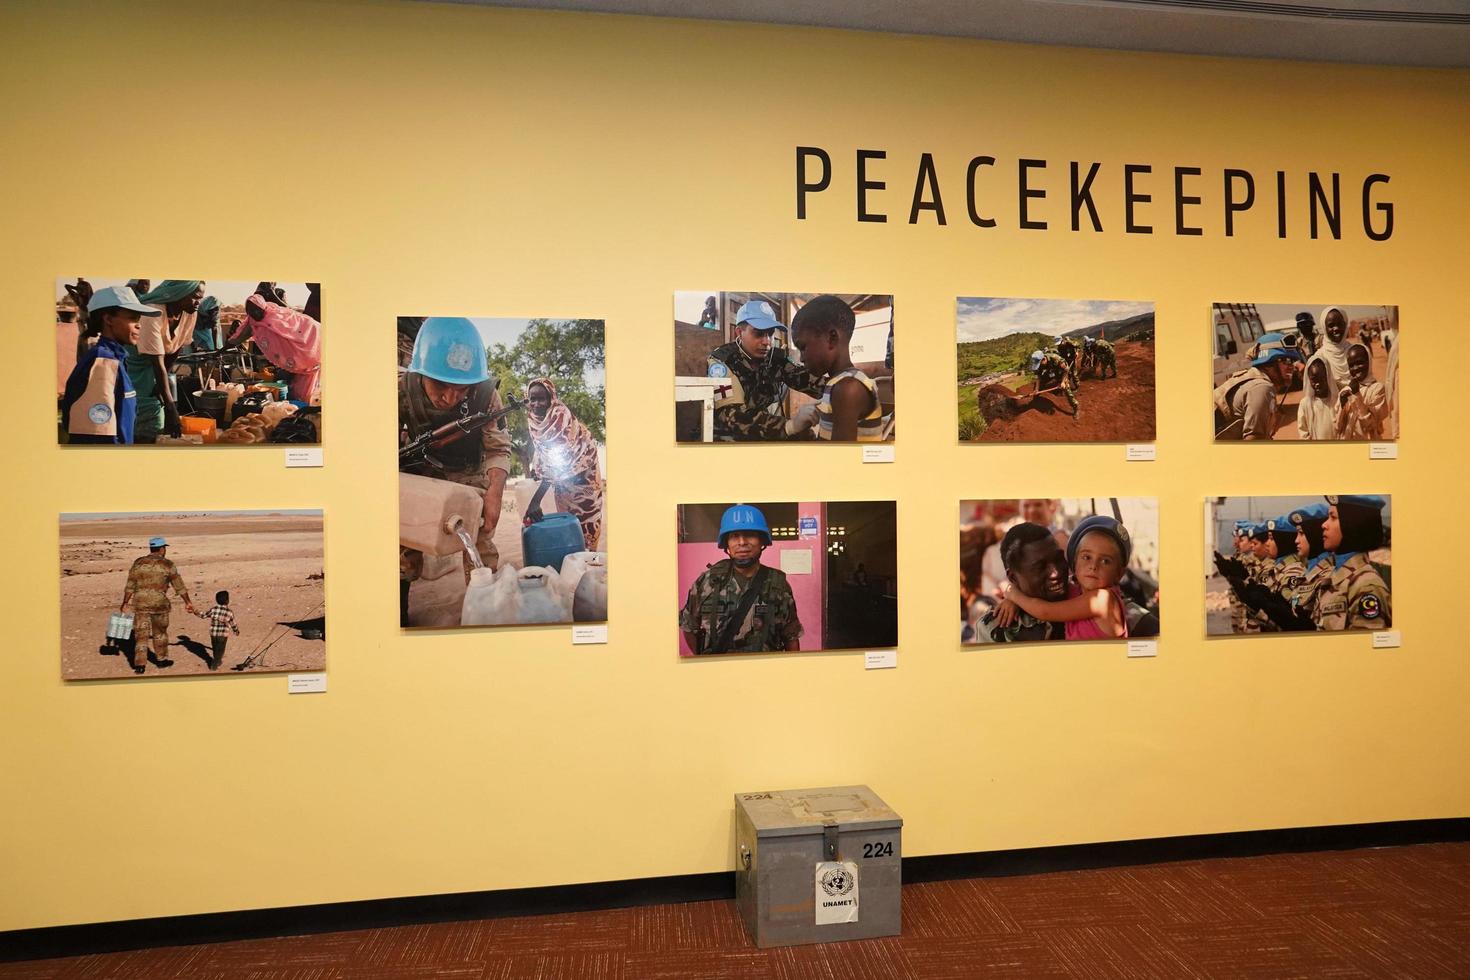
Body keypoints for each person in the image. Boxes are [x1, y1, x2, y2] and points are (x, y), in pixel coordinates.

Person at [398, 317, 514, 626]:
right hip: (418, 471)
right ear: (421, 371)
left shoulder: (487, 394)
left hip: (468, 473)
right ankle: (397, 613)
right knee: (400, 544)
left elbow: (498, 449)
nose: (450, 398)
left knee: (481, 541)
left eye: (462, 390)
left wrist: (494, 495)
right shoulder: (400, 389)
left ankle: (484, 610)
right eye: (441, 386)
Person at [680, 505, 802, 653]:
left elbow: (791, 636)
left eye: (750, 534)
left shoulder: (778, 584)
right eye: (734, 536)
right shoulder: (707, 582)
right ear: (727, 544)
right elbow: (688, 626)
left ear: (762, 541)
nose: (742, 542)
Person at [996, 515, 1130, 640]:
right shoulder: (1076, 592)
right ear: (1074, 562)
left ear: (1120, 573)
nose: (1093, 566)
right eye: (1086, 557)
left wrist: (1013, 594)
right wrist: (1011, 599)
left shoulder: (1102, 600)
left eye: (1105, 561)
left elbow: (1044, 611)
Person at [707, 300, 823, 440]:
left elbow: (807, 380)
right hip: (727, 433)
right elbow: (732, 416)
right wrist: (790, 426)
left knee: (807, 436)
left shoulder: (775, 358)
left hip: (761, 427)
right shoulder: (722, 362)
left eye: (770, 333)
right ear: (739, 332)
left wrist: (841, 385)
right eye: (759, 334)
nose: (767, 341)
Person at [60, 285, 159, 445]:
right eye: (132, 318)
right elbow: (100, 434)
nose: (139, 325)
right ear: (108, 319)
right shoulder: (104, 363)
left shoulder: (115, 358)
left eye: (139, 319)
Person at [789, 294, 890, 442]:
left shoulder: (848, 388)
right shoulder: (838, 383)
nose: (801, 357)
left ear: (832, 338)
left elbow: (840, 459)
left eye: (803, 347)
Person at [525, 377, 603, 551]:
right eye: (532, 399)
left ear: (551, 398)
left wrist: (535, 501)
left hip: (584, 481)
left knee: (585, 527)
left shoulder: (560, 418)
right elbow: (542, 448)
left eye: (541, 398)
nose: (536, 404)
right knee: (568, 525)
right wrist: (536, 465)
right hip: (563, 483)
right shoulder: (534, 419)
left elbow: (557, 460)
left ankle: (587, 567)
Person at [128, 280, 205, 442]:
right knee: (137, 413)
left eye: (201, 298)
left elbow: (176, 348)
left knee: (159, 406)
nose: (199, 302)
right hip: (136, 367)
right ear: (179, 293)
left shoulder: (190, 313)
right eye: (195, 297)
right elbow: (157, 362)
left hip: (159, 368)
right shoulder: (152, 313)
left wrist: (160, 384)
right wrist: (172, 410)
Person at [971, 522, 1068, 643]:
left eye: (1059, 559)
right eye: (1040, 568)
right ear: (1013, 578)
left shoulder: (1082, 596)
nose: (1056, 573)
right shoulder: (997, 628)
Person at [120, 536, 197, 674]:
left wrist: (125, 602)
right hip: (159, 605)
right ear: (162, 549)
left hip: (140, 604)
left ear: (151, 548)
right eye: (164, 548)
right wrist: (188, 602)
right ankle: (161, 660)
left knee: (141, 635)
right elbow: (179, 586)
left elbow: (130, 585)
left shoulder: (138, 563)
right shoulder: (167, 564)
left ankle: (139, 665)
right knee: (160, 633)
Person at [1315, 494, 1391, 631]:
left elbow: (1363, 647)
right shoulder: (1334, 575)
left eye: (1333, 517)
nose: (1324, 524)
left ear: (1351, 524)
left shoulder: (1366, 586)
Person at [229, 293, 322, 403]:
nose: (255, 314)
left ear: (263, 307)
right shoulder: (253, 322)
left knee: (307, 393)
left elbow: (294, 334)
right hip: (293, 360)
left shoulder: (278, 317)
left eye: (257, 310)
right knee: (296, 390)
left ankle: (305, 409)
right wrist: (221, 349)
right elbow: (239, 337)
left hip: (310, 349)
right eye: (251, 312)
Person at [1213, 332, 1303, 440]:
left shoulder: (1255, 379)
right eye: (1285, 360)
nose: (1291, 366)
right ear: (1269, 363)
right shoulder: (1261, 387)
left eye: (1292, 361)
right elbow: (1254, 441)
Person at [1335, 343, 1388, 441]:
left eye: (1360, 363)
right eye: (1351, 365)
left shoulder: (1377, 389)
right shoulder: (1346, 390)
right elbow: (1338, 426)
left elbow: (1371, 424)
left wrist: (1357, 395)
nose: (1355, 368)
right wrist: (1342, 407)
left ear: (1369, 361)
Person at [1296, 352, 1338, 440]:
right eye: (1314, 380)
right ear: (1308, 379)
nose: (1317, 384)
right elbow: (1303, 432)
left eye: (1321, 379)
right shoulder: (1305, 404)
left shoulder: (1336, 401)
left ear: (1328, 377)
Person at [197, 590, 240, 671]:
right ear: (227, 601)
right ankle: (214, 664)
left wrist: (195, 611)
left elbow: (203, 616)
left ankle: (217, 660)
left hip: (213, 633)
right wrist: (236, 631)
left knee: (215, 648)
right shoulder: (229, 612)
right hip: (223, 635)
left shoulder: (213, 610)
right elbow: (232, 623)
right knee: (221, 649)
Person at [1030, 348, 1079, 417]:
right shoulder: (1040, 363)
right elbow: (1038, 376)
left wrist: (1062, 382)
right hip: (1050, 372)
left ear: (1044, 359)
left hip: (1061, 373)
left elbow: (1066, 370)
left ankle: (1075, 409)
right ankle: (1035, 400)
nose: (1039, 365)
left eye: (1039, 363)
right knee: (1039, 384)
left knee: (1067, 391)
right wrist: (1037, 389)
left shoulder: (1057, 359)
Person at [1316, 306, 1353, 389]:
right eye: (1331, 325)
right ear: (1324, 328)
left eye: (1339, 324)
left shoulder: (1354, 351)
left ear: (1345, 324)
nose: (1336, 328)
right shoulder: (1320, 357)